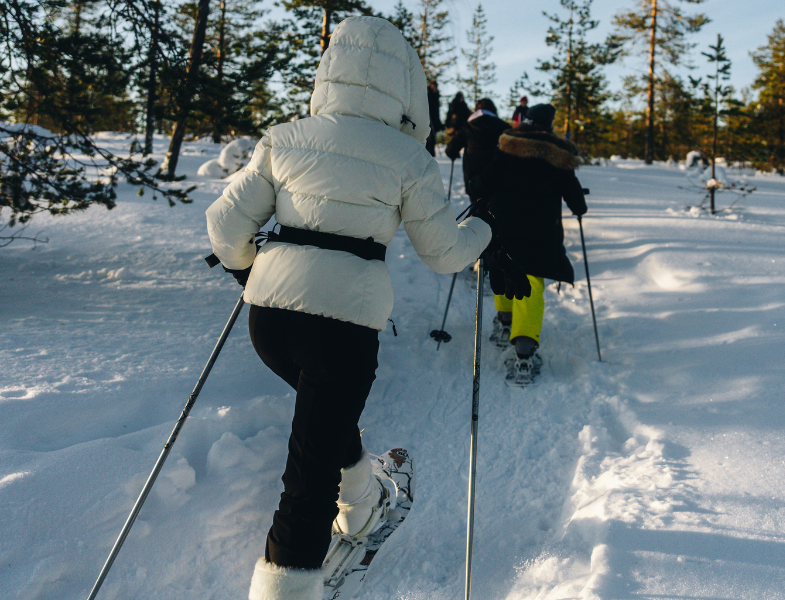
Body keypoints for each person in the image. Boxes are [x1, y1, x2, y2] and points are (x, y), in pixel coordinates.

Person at [205, 17, 526, 600]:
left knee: (321, 423)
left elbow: (224, 224)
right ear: (406, 88)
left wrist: (250, 268)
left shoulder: (287, 136)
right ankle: (291, 583)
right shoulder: (406, 157)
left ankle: (360, 501)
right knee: (306, 481)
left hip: (269, 320)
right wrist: (484, 225)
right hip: (342, 325)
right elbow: (445, 253)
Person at [481, 104, 587, 386]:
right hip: (540, 231)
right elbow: (573, 194)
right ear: (549, 125)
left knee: (502, 267)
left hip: (503, 224)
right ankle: (524, 354)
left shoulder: (507, 145)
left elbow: (487, 181)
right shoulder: (558, 153)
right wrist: (579, 206)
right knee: (530, 281)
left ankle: (504, 322)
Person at [444, 98, 510, 200]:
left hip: (473, 180)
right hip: (497, 180)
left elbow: (450, 149)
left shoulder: (468, 126)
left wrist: (453, 153)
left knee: (476, 210)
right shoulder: (504, 127)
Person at [426, 80, 442, 156]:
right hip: (428, 119)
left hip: (434, 120)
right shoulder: (428, 96)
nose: (433, 88)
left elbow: (436, 111)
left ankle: (431, 154)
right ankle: (428, 154)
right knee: (429, 139)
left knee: (432, 139)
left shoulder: (436, 97)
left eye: (435, 86)